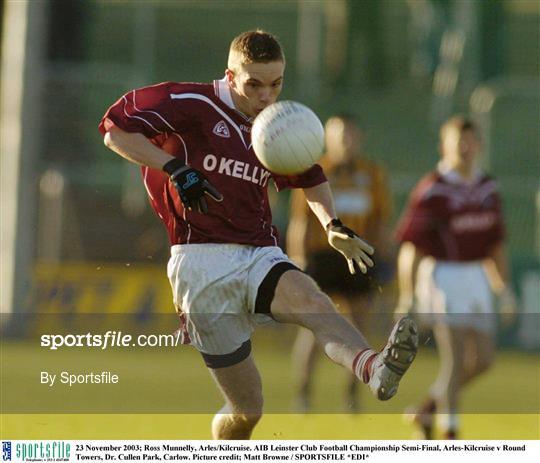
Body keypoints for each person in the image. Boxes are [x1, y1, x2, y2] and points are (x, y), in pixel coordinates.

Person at [99, 30, 418, 440]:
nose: (267, 96)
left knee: (311, 299)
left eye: (276, 84)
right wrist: (176, 168)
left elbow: (310, 175)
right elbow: (116, 131)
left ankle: (373, 369)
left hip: (258, 253)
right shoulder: (191, 102)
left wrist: (331, 224)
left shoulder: (276, 125)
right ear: (230, 77)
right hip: (200, 264)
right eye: (255, 84)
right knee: (247, 410)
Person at [394, 116, 517, 440]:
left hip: (476, 275)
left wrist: (504, 291)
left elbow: (495, 247)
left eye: (470, 140)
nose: (464, 147)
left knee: (484, 359)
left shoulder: (488, 187)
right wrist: (407, 295)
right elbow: (412, 248)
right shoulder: (433, 188)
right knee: (455, 357)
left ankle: (426, 409)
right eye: (457, 141)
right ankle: (450, 432)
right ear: (443, 146)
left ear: (479, 144)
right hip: (443, 275)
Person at [287, 114, 394, 412]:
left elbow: (381, 221)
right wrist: (297, 261)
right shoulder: (314, 171)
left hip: (359, 254)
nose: (346, 141)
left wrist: (384, 258)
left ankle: (352, 396)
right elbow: (301, 221)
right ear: (328, 139)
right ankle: (303, 394)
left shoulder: (372, 173)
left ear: (359, 138)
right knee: (313, 328)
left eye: (351, 135)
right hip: (323, 256)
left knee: (359, 328)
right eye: (340, 135)